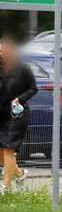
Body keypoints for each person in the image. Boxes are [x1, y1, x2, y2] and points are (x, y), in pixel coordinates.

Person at [0, 38, 36, 191]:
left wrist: (20, 99)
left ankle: (5, 186)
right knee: (1, 151)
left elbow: (33, 88)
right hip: (1, 114)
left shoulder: (23, 68)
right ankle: (20, 174)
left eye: (2, 51)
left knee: (8, 148)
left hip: (16, 115)